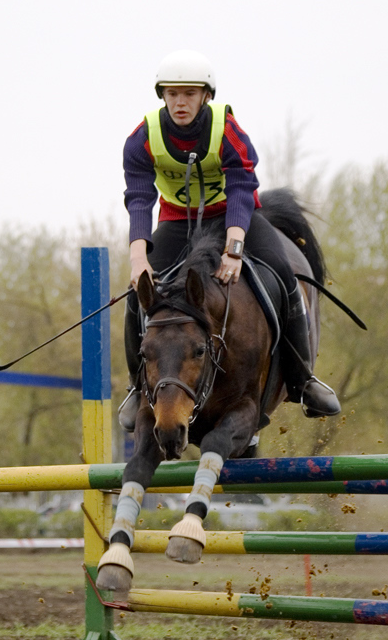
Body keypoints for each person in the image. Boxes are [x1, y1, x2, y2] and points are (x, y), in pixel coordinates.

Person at [119, 49, 340, 430]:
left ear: (206, 96)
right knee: (136, 294)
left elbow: (241, 186)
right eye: (172, 94)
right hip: (177, 220)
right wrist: (139, 257)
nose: (180, 102)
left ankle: (303, 381)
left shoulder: (227, 129)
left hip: (235, 216)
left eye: (189, 93)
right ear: (163, 96)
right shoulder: (142, 138)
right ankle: (138, 388)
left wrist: (234, 248)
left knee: (284, 278)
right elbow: (139, 198)